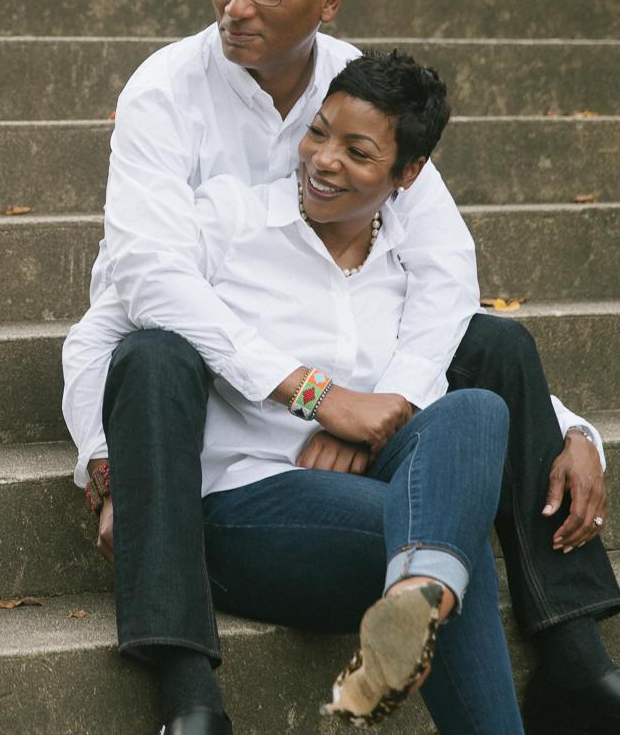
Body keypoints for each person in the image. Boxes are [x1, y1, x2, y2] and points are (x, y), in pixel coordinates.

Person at [63, 0, 620, 735]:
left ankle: (566, 656)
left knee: (491, 373)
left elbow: (445, 277)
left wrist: (548, 422)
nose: (234, 6)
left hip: (359, 431)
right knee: (431, 526)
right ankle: (199, 695)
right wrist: (117, 460)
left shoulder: (361, 96)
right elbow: (136, 296)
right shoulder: (188, 136)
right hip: (223, 436)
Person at [72, 49, 524, 731]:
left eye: (357, 150)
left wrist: (571, 428)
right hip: (244, 503)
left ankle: (413, 600)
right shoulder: (228, 219)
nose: (323, 159)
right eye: (318, 132)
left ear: (408, 174)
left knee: (479, 409)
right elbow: (105, 333)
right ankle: (420, 595)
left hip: (369, 496)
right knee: (450, 551)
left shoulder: (415, 261)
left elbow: (448, 360)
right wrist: (114, 473)